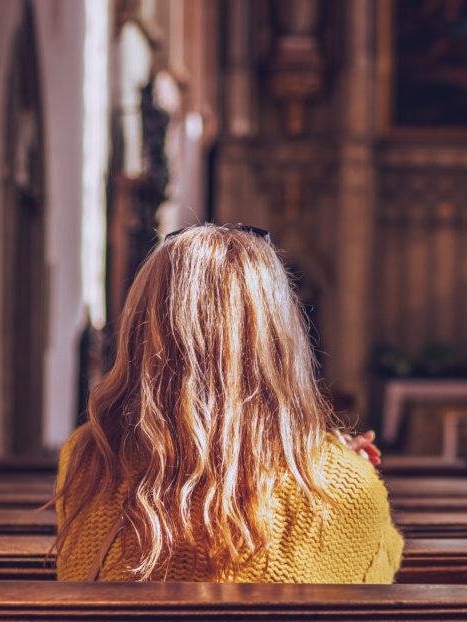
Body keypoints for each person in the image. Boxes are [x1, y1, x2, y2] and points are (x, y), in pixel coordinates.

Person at [53, 223, 403, 583]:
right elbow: (371, 577)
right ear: (278, 341)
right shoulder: (347, 486)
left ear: (142, 332)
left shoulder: (89, 459)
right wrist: (347, 469)